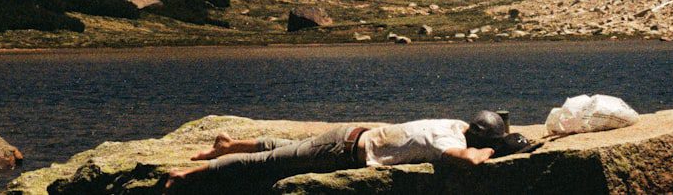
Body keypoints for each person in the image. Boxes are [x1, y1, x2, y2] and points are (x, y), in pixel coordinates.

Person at [163, 111, 509, 190]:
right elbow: (470, 161)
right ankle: (188, 174)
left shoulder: (452, 124)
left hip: (345, 136)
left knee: (287, 148)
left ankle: (226, 145)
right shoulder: (451, 142)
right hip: (340, 151)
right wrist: (493, 153)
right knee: (268, 162)